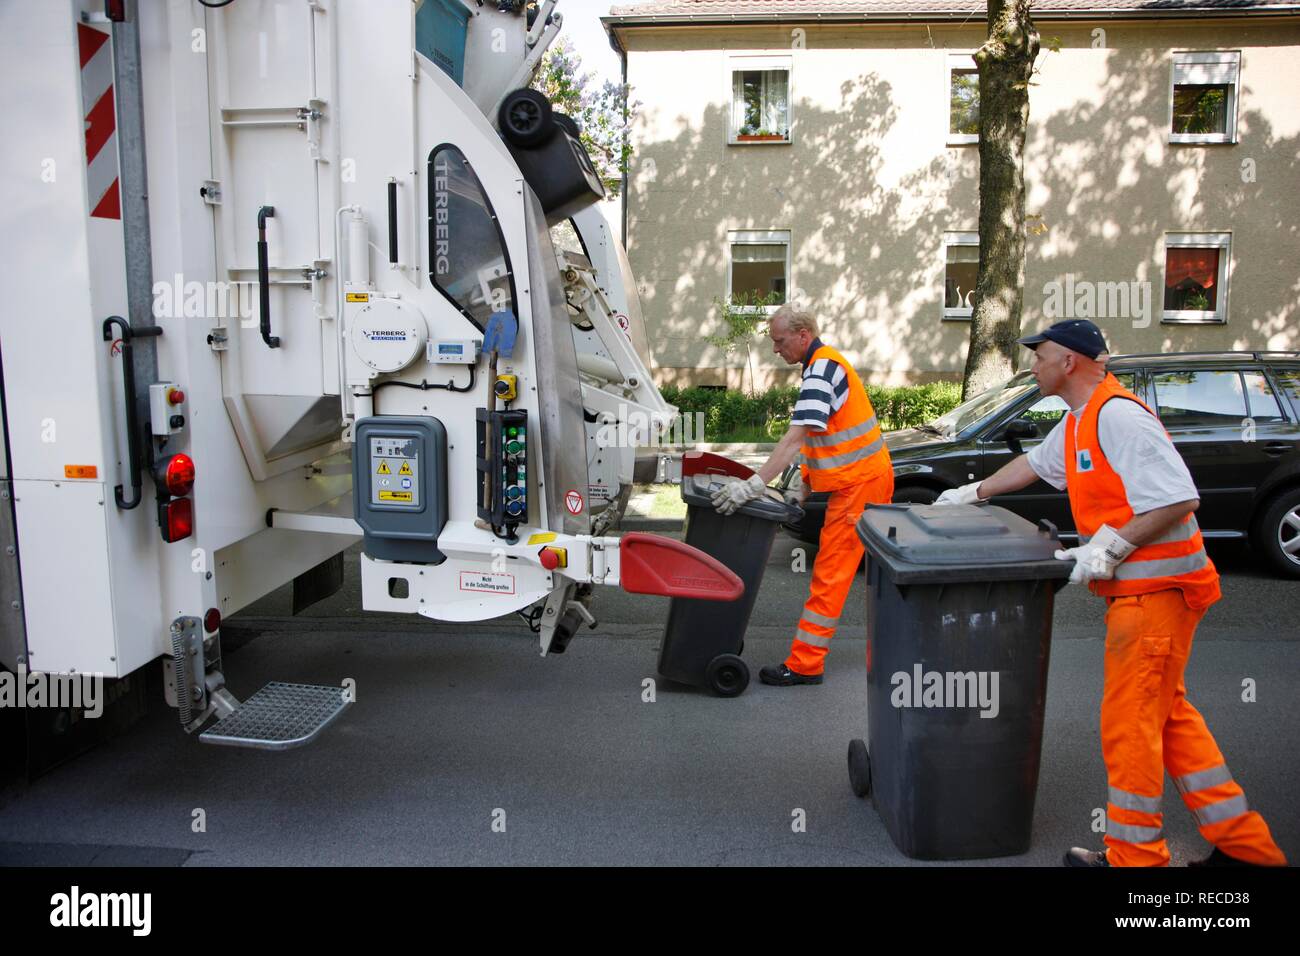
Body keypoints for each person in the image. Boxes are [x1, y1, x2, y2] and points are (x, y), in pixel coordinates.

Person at [935, 318, 1286, 868]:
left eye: (1040, 355)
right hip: (1145, 597)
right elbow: (1033, 465)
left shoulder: (1118, 415)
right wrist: (970, 492)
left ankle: (1136, 858)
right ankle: (1248, 850)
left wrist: (1108, 549)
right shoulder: (1080, 420)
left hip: (1157, 595)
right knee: (1167, 719)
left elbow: (1176, 499)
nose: (1033, 365)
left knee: (1130, 725)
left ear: (1070, 361)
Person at [710, 305, 893, 686]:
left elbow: (796, 436)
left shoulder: (823, 368)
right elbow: (820, 435)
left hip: (859, 484)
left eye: (779, 341)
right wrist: (802, 485)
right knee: (873, 572)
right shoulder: (820, 366)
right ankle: (897, 647)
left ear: (803, 335)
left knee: (830, 574)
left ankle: (806, 664)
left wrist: (754, 484)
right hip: (862, 480)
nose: (775, 349)